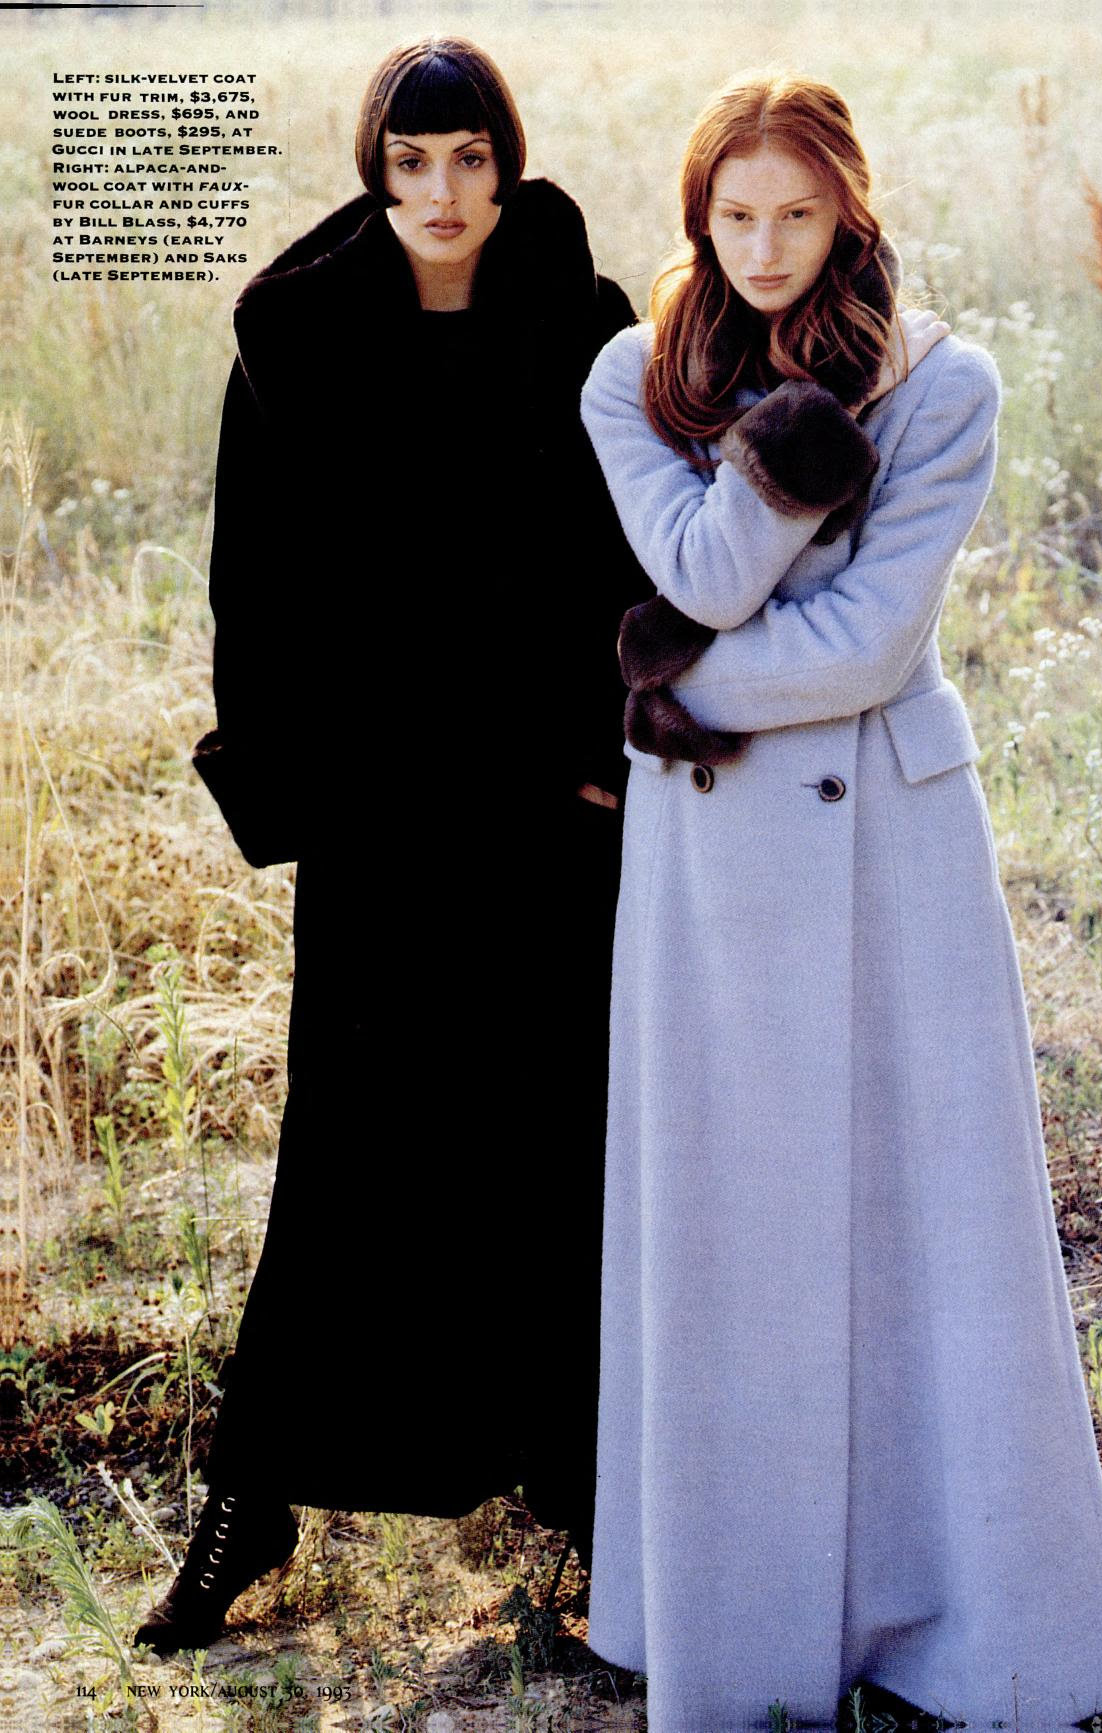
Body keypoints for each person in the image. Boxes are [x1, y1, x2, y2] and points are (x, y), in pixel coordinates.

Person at [578, 71, 1102, 1733]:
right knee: (730, 1221)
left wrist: (669, 686)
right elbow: (699, 574)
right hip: (708, 855)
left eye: (799, 214)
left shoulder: (944, 383)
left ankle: (964, 1618)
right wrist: (777, 462)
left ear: (850, 211)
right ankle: (742, 1627)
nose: (765, 249)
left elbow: (870, 646)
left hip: (890, 851)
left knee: (930, 1223)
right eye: (734, 216)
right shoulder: (630, 377)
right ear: (698, 217)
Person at [135, 36, 647, 1654]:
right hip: (382, 816)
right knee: (350, 1155)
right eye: (412, 162)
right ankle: (255, 1494)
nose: (443, 192)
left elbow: (634, 555)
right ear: (376, 170)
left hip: (545, 818)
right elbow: (251, 585)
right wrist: (299, 789)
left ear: (508, 163)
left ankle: (582, 1492)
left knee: (555, 1145)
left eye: (470, 159)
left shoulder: (585, 321)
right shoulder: (294, 340)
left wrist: (605, 758)